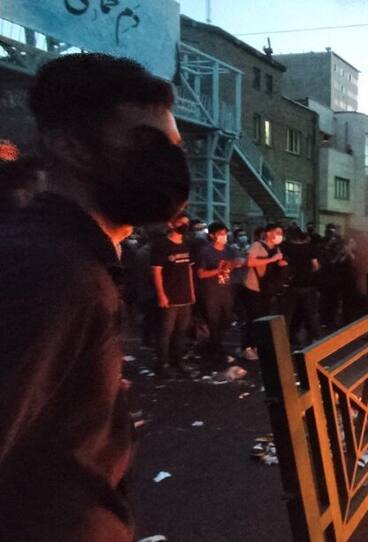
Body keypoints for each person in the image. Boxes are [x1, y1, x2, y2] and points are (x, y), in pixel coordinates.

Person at [0, 53, 189, 540]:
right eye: (147, 143)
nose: (169, 164)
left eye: (175, 148)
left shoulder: (81, 259)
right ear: (70, 146)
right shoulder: (51, 271)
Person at [151, 213, 196, 376]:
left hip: (185, 297)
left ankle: (178, 361)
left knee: (181, 332)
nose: (185, 225)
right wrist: (161, 294)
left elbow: (189, 269)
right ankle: (162, 364)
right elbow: (156, 272)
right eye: (181, 222)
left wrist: (191, 292)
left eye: (187, 222)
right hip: (169, 297)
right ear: (171, 224)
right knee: (165, 332)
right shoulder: (161, 245)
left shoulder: (186, 244)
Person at [196, 222, 242, 367]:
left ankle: (213, 347)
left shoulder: (229, 250)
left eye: (225, 233)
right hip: (211, 291)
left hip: (226, 290)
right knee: (213, 321)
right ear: (212, 235)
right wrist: (218, 271)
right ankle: (216, 351)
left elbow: (238, 261)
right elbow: (201, 274)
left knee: (226, 319)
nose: (224, 236)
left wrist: (235, 264)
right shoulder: (206, 251)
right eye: (220, 234)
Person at [240, 224, 286, 359]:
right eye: (277, 232)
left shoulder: (277, 248)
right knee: (253, 317)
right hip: (253, 287)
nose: (280, 235)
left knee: (263, 318)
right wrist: (272, 259)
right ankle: (247, 347)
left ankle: (257, 346)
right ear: (268, 233)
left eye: (281, 232)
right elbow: (249, 262)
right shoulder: (257, 245)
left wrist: (280, 264)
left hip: (267, 288)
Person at [282, 229, 322, 346]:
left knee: (289, 314)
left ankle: (287, 338)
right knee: (311, 313)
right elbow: (315, 266)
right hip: (308, 284)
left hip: (291, 285)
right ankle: (314, 338)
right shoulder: (311, 248)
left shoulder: (286, 247)